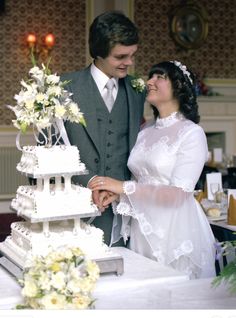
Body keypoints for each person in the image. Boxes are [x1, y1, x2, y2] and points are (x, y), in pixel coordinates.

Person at [89, 61, 216, 279]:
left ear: (178, 87)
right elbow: (141, 181)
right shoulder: (145, 131)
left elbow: (178, 194)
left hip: (176, 230)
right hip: (143, 227)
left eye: (159, 77)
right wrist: (118, 195)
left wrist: (121, 186)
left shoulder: (192, 133)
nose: (150, 82)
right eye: (151, 77)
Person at [61, 11, 145, 246]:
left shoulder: (137, 90)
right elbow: (49, 154)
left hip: (122, 215)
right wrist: (90, 183)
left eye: (132, 55)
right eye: (121, 56)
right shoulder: (62, 88)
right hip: (74, 214)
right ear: (99, 52)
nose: (129, 62)